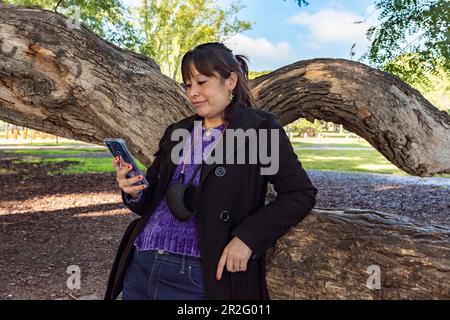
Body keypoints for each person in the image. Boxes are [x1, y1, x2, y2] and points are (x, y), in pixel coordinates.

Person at [104, 42, 317, 300]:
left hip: (197, 276)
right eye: (188, 85)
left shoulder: (259, 130)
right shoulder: (178, 131)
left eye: (202, 82)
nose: (193, 93)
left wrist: (248, 238)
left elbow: (299, 193)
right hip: (141, 264)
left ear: (230, 81)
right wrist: (134, 190)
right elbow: (151, 199)